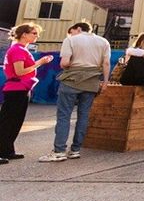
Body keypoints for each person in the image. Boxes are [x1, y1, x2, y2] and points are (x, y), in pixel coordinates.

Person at [39, 21, 111, 163]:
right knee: (83, 116)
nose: (70, 34)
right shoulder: (104, 42)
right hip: (91, 82)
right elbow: (106, 63)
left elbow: (64, 63)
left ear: (78, 28)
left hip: (71, 81)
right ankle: (75, 150)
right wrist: (105, 82)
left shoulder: (71, 40)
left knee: (64, 116)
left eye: (71, 31)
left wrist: (75, 63)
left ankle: (59, 151)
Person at [0, 24, 54, 163]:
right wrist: (39, 62)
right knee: (7, 121)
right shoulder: (18, 50)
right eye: (34, 33)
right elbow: (19, 71)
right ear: (24, 34)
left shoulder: (22, 49)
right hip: (16, 89)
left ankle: (7, 150)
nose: (36, 36)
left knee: (15, 121)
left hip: (22, 88)